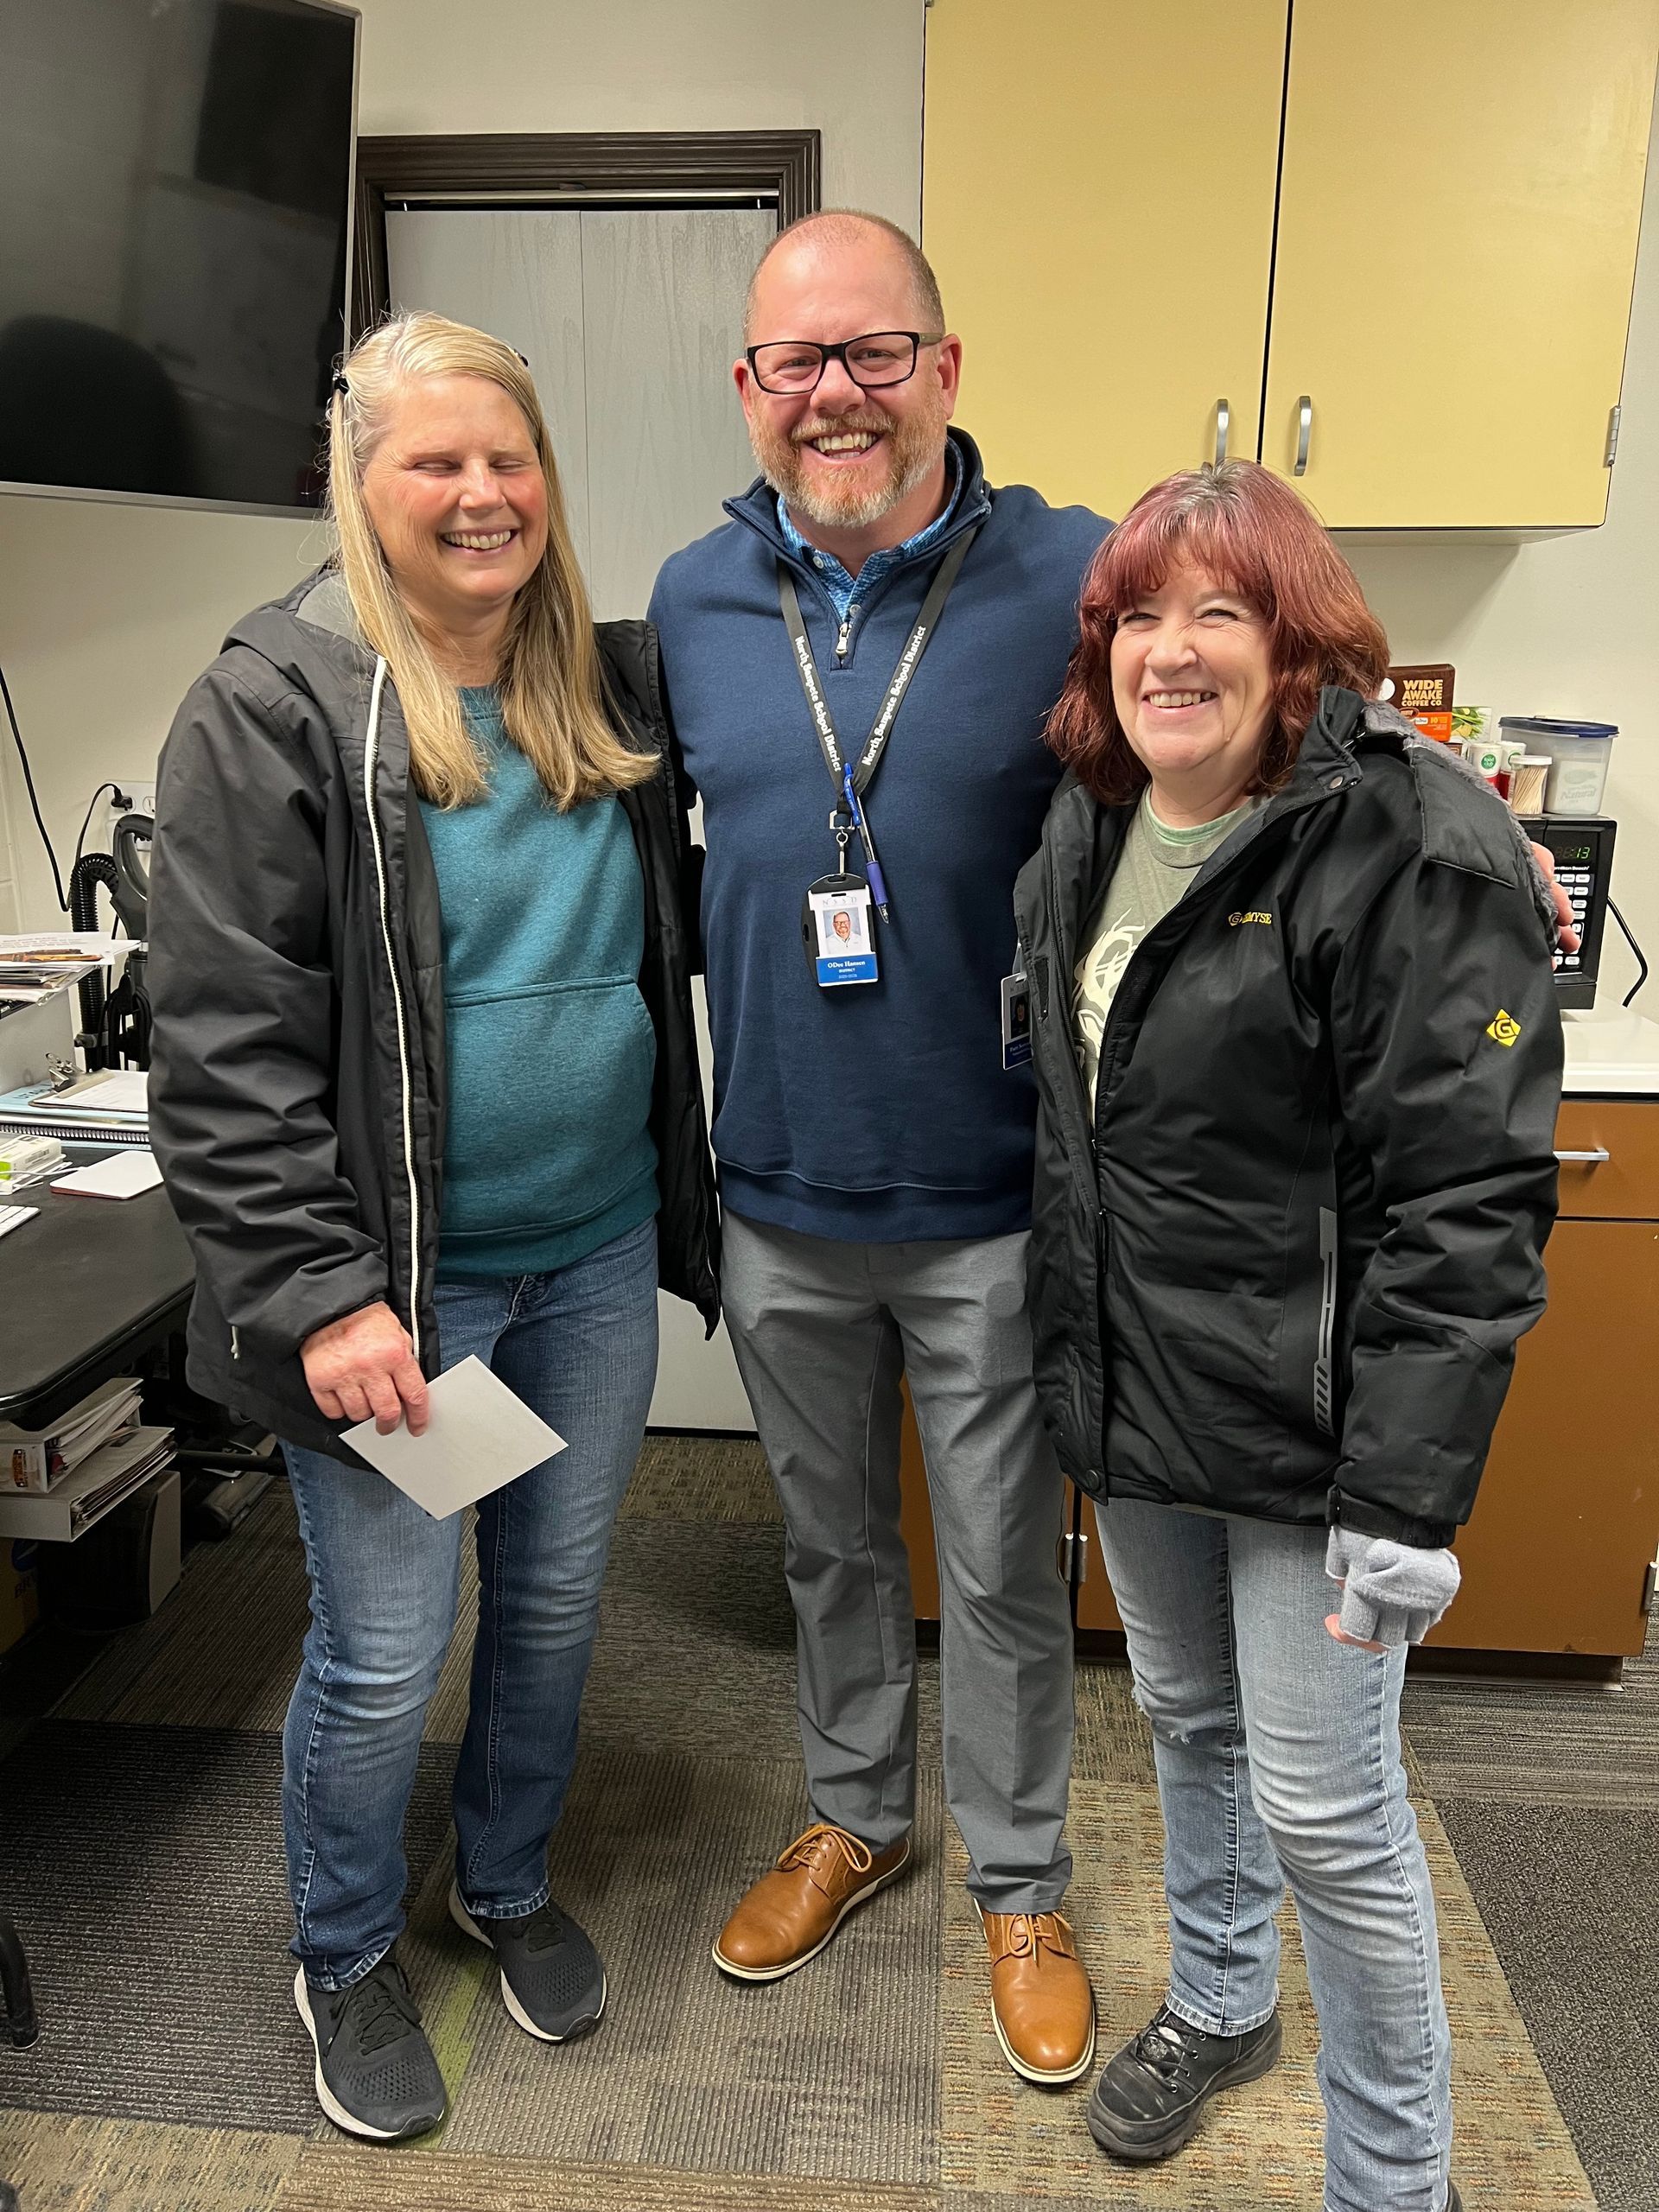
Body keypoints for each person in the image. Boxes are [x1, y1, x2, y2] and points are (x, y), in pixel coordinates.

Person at [147, 312, 718, 2143]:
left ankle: (507, 1875)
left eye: (509, 459)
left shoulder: (609, 681)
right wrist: (323, 1295)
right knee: (386, 1647)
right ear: (360, 478)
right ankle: (338, 1946)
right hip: (401, 1293)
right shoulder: (278, 699)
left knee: (551, 1599)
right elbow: (220, 1046)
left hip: (591, 1253)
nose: (482, 495)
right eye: (435, 463)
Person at [1014, 460, 1561, 2211]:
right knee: (1183, 1716)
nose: (1171, 652)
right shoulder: (1092, 816)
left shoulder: (1415, 839)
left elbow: (1464, 1201)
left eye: (1220, 612)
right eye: (1140, 616)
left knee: (1331, 1808)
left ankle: (1395, 2181)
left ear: (1301, 646)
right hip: (1156, 1392)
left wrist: (1406, 1499)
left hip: (1323, 1433)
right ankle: (1226, 1997)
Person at [648, 211, 1107, 2083]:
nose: (834, 392)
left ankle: (1023, 1872)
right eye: (796, 362)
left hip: (984, 1184)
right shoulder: (690, 596)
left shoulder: (1076, 573)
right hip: (779, 1186)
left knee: (997, 1558)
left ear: (944, 364)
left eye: (873, 351)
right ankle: (860, 1808)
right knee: (829, 1544)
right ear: (751, 389)